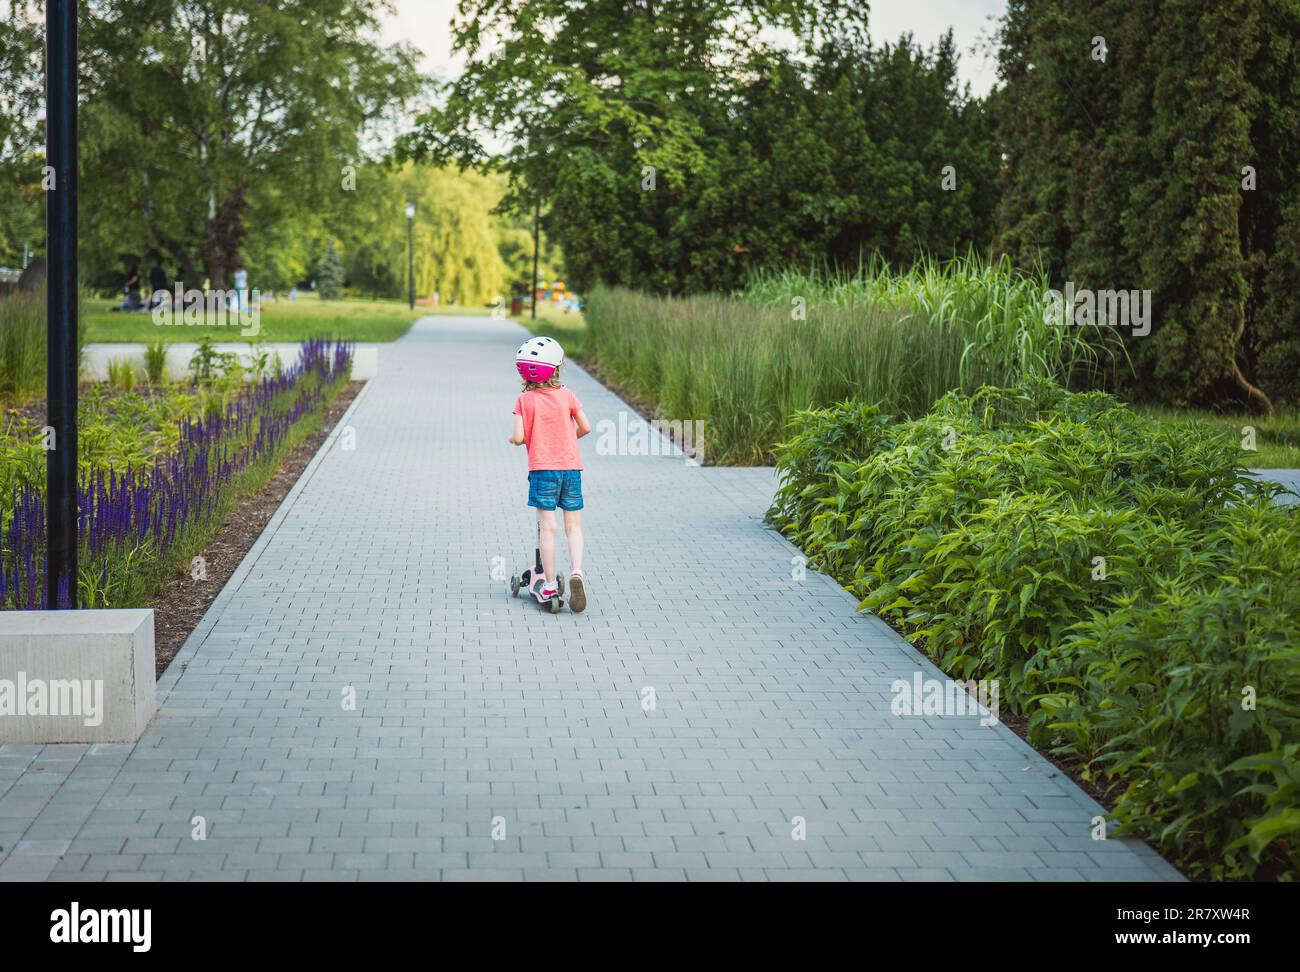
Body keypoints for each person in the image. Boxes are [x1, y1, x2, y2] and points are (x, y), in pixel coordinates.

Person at [508, 336, 591, 612]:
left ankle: (550, 585)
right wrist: (568, 439)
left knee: (548, 527)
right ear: (556, 369)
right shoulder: (567, 395)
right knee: (573, 526)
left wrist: (515, 439)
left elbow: (520, 437)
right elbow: (585, 427)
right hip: (571, 468)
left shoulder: (523, 400)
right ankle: (577, 572)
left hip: (542, 470)